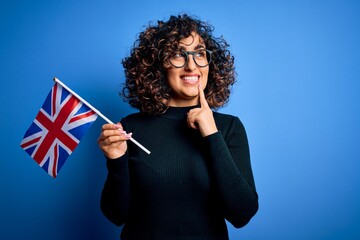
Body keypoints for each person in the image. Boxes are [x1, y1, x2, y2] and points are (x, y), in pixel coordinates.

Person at [98, 14, 258, 240]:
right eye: (177, 55)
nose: (191, 65)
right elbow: (116, 214)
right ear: (157, 65)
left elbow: (242, 214)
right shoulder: (131, 128)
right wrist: (116, 161)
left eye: (200, 54)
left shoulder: (229, 127)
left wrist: (212, 135)